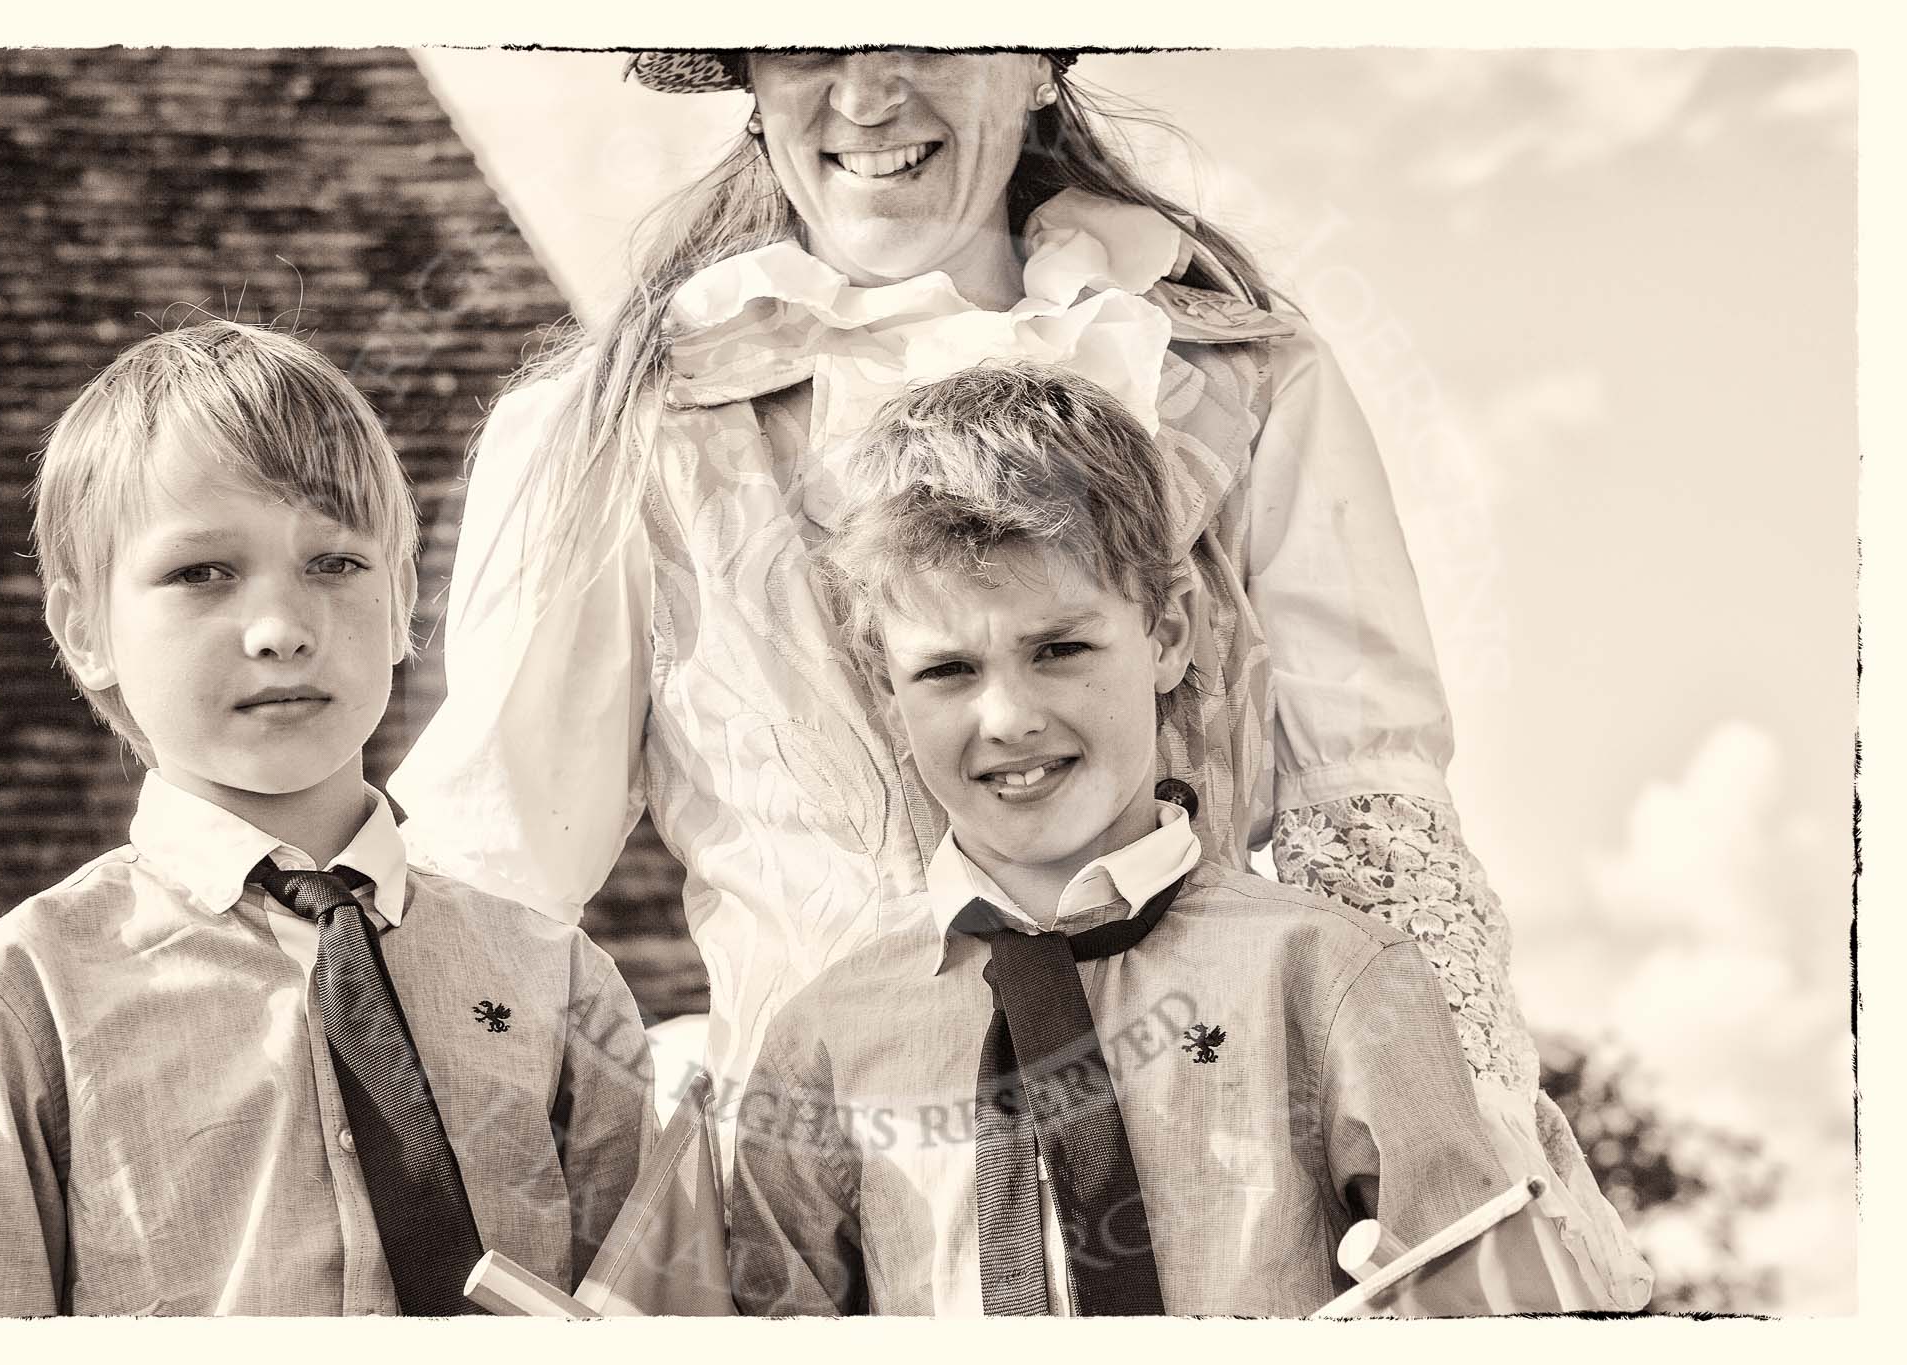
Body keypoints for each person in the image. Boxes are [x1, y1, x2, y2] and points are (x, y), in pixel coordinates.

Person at [389, 49, 1650, 1308]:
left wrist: (1460, 1200)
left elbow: (1366, 812)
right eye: (809, 42)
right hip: (826, 1226)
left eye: (929, 33)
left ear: (1037, 63)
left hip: (1233, 1200)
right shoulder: (611, 429)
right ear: (749, 80)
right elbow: (491, 889)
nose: (866, 96)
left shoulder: (1241, 379)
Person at [726, 362, 1588, 1315]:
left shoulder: (1337, 978)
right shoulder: (822, 1042)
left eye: (1059, 648)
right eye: (947, 670)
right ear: (886, 690)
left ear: (1170, 632)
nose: (1008, 717)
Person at [0, 321, 655, 1316]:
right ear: (84, 629)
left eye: (334, 563)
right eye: (202, 573)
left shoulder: (557, 981)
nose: (282, 630)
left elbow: (644, 1317)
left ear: (401, 599)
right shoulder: (11, 999)